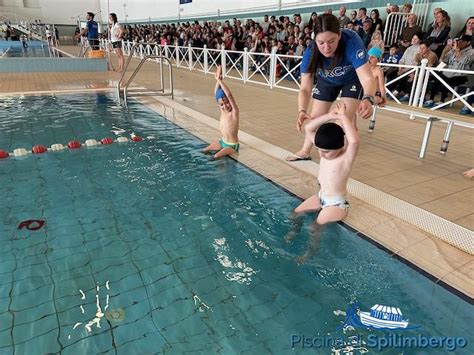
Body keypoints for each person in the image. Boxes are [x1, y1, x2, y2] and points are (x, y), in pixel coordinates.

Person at [286, 14, 375, 162]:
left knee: (342, 119)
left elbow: (367, 77)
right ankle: (305, 151)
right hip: (327, 80)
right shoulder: (311, 50)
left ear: (339, 35)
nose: (326, 48)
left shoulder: (352, 41)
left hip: (352, 80)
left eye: (331, 41)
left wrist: (368, 98)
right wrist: (301, 110)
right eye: (321, 42)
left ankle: (336, 159)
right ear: (315, 40)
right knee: (314, 119)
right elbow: (305, 88)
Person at [284, 102, 360, 263]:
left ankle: (309, 254)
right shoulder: (324, 147)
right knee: (295, 213)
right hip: (320, 196)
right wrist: (331, 116)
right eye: (318, 149)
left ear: (340, 147)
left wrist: (344, 117)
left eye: (326, 151)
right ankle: (293, 233)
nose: (322, 154)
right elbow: (308, 128)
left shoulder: (345, 158)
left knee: (314, 227)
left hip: (336, 204)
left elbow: (354, 141)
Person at [423, 35, 473, 108]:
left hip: (461, 75)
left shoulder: (471, 52)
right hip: (448, 73)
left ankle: (442, 101)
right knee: (435, 77)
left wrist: (457, 50)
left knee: (446, 80)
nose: (459, 43)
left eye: (462, 42)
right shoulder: (453, 50)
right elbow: (444, 61)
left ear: (468, 42)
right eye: (458, 41)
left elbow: (464, 61)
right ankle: (431, 99)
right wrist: (445, 50)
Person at [203, 66, 240, 159]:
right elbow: (216, 93)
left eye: (227, 102)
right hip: (222, 142)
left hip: (232, 146)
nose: (225, 106)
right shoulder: (222, 110)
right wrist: (218, 79)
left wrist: (219, 80)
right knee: (204, 151)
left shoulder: (234, 112)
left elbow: (229, 94)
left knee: (216, 156)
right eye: (222, 104)